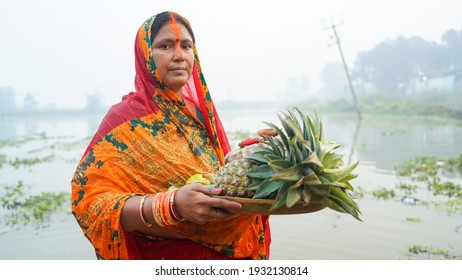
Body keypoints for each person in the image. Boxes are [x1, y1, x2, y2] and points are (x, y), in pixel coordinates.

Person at [71, 11, 271, 260]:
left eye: (187, 46)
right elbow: (90, 203)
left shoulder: (199, 112)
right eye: (166, 46)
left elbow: (215, 172)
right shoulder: (126, 119)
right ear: (145, 55)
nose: (180, 56)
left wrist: (259, 154)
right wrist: (172, 205)